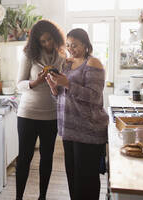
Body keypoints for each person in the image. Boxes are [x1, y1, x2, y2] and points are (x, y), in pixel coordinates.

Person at [45, 28, 108, 200]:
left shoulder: (93, 63)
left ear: (86, 45)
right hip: (68, 130)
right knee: (73, 179)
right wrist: (53, 87)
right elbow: (63, 96)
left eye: (75, 45)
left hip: (88, 130)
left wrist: (67, 84)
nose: (71, 49)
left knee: (86, 182)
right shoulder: (67, 63)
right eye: (68, 45)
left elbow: (94, 97)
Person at [16, 19, 66, 200]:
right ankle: (18, 197)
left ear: (55, 37)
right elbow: (19, 84)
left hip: (50, 115)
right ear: (36, 42)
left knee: (47, 158)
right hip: (28, 114)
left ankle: (42, 197)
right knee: (24, 158)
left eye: (50, 39)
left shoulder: (61, 58)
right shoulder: (28, 56)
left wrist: (56, 82)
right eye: (43, 41)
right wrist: (36, 82)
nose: (47, 44)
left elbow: (62, 90)